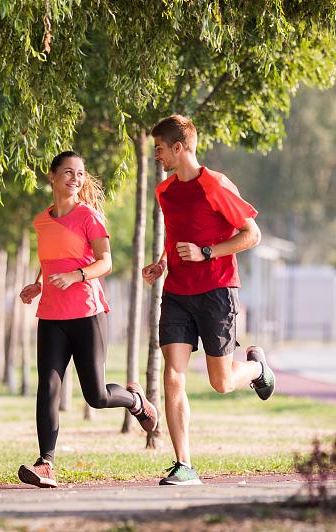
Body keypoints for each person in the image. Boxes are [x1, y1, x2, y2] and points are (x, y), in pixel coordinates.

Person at [142, 115, 275, 486]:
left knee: (221, 382)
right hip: (177, 293)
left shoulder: (215, 185)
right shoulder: (164, 191)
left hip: (217, 291)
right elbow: (175, 235)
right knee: (173, 374)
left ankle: (257, 369)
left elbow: (253, 234)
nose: (158, 156)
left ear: (179, 148)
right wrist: (162, 263)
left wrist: (206, 252)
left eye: (161, 149)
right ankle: (184, 464)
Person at [17, 150, 158, 488]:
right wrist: (37, 283)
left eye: (79, 174)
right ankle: (46, 463)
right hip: (51, 313)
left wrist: (77, 276)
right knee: (48, 387)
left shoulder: (88, 216)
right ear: (52, 176)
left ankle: (136, 401)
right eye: (67, 172)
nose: (75, 179)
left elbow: (105, 262)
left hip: (86, 312)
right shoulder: (41, 220)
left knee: (96, 395)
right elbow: (52, 257)